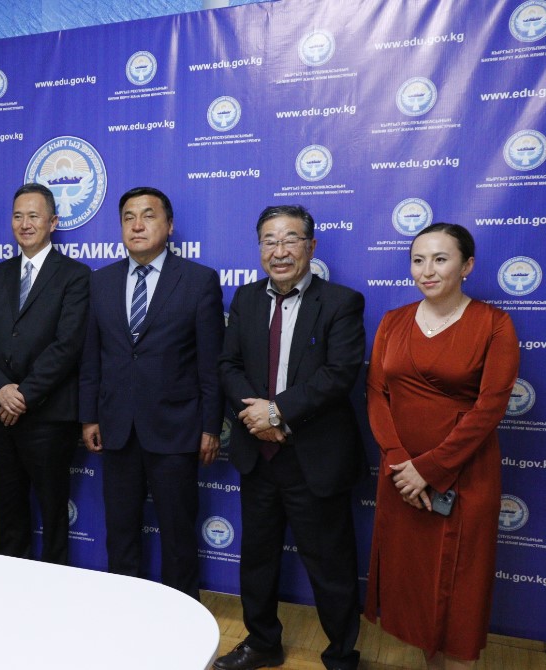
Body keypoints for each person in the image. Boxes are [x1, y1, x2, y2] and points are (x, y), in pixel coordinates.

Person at [216, 204, 365, 670]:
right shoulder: (245, 299)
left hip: (313, 457)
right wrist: (256, 417)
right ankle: (262, 642)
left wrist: (278, 413)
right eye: (269, 241)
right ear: (259, 248)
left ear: (311, 246)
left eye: (290, 239)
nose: (279, 251)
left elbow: (338, 374)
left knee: (330, 565)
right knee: (257, 559)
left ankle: (341, 655)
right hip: (257, 455)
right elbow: (228, 365)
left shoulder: (341, 302)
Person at [364, 223, 519, 670]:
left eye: (440, 259)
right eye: (418, 260)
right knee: (417, 589)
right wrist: (400, 464)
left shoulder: (494, 324)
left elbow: (490, 407)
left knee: (459, 593)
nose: (427, 270)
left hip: (465, 478)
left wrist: (429, 470)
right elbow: (376, 394)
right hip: (401, 478)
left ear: (467, 266)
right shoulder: (393, 321)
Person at [80, 186, 224, 599]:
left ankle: (183, 617)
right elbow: (91, 357)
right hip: (117, 428)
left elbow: (211, 364)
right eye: (128, 217)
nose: (137, 225)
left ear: (169, 225)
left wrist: (210, 426)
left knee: (178, 534)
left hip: (176, 429)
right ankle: (126, 611)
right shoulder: (101, 281)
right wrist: (89, 416)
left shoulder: (198, 281)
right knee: (120, 530)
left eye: (148, 215)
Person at [0, 183, 90, 564]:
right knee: (6, 509)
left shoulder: (75, 276)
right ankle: (9, 583)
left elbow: (67, 345)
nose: (25, 224)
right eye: (18, 216)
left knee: (53, 511)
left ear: (52, 222)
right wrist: (0, 389)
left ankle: (55, 587)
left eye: (34, 216)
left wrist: (22, 395)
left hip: (48, 416)